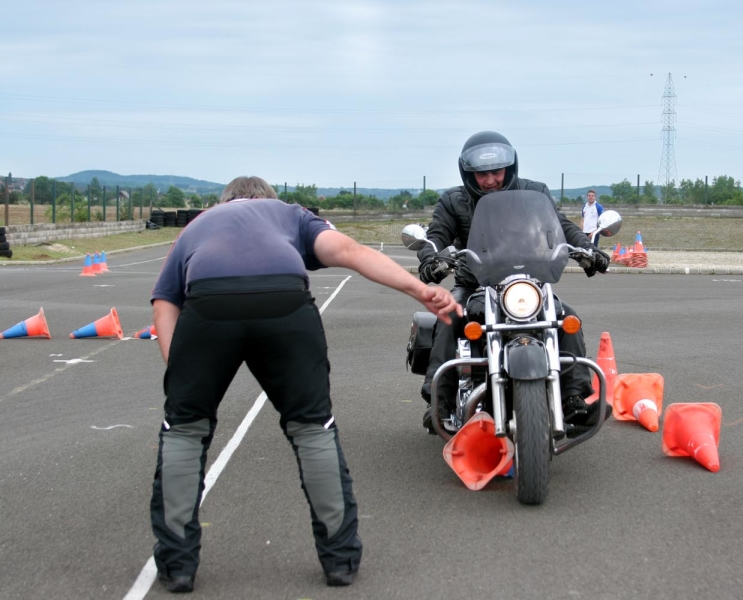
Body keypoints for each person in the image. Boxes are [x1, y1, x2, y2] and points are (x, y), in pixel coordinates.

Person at [148, 176, 462, 593]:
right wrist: (420, 290)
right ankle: (340, 561)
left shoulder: (199, 224)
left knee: (185, 432)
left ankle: (177, 567)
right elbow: (350, 252)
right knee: (312, 428)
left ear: (224, 202)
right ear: (270, 201)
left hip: (209, 302)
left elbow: (165, 301)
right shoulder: (291, 215)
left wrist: (181, 371)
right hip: (284, 300)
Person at [417, 131, 610, 435]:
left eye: (496, 172)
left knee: (566, 316)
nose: (491, 180)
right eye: (482, 174)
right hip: (475, 284)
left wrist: (588, 249)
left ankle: (572, 397)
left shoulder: (535, 192)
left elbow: (561, 226)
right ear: (469, 174)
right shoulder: (454, 200)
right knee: (448, 313)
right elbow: (436, 234)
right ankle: (438, 400)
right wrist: (431, 256)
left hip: (527, 281)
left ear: (510, 168)